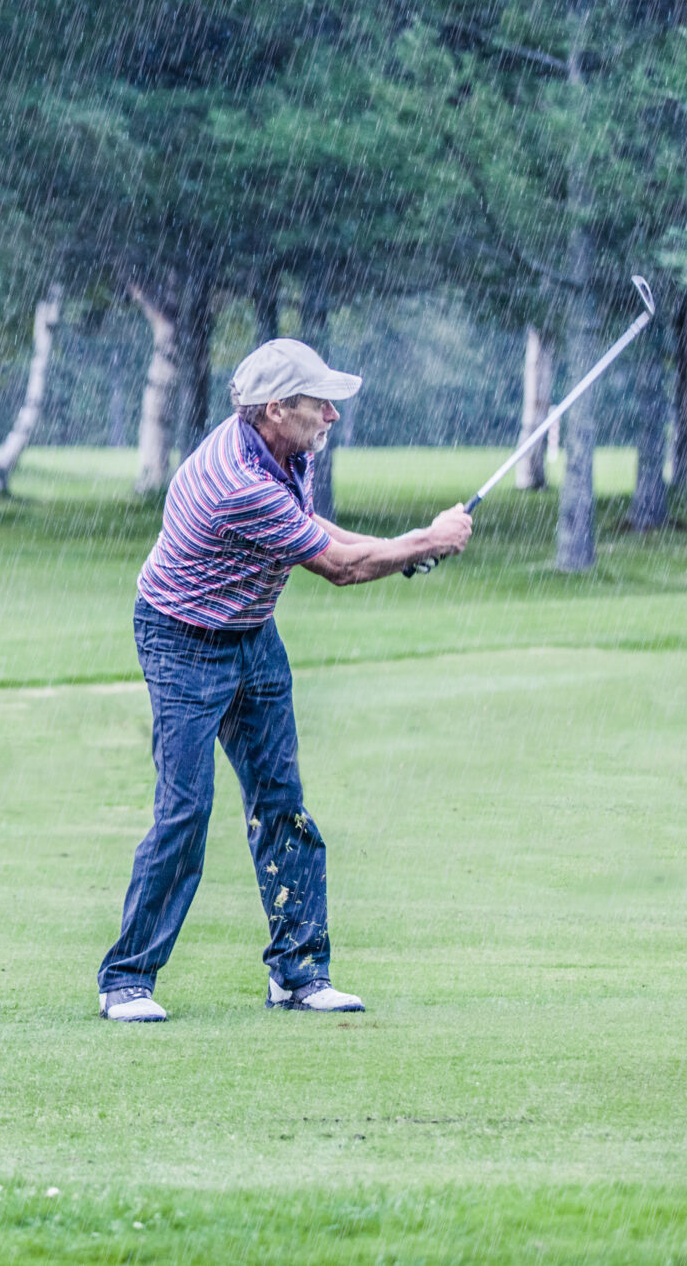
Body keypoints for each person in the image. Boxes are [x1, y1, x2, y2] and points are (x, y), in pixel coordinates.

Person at [97, 337, 470, 1022]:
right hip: (182, 639)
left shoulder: (279, 449)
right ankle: (125, 979)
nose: (331, 415)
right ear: (276, 408)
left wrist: (409, 545)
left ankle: (298, 973)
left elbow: (312, 529)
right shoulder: (237, 480)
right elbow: (340, 567)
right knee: (185, 810)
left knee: (282, 802)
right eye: (317, 404)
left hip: (251, 634)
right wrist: (424, 541)